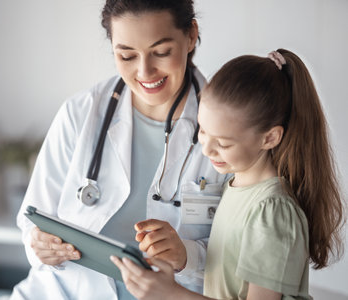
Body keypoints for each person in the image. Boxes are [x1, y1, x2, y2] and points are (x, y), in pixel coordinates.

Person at [10, 1, 229, 299]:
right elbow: (32, 217)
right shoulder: (82, 113)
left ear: (191, 35)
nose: (144, 71)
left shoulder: (229, 127)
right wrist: (40, 245)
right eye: (126, 55)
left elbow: (244, 255)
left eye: (161, 52)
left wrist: (186, 255)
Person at [111, 49, 346, 300]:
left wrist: (170, 294)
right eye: (202, 130)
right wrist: (182, 254)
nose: (207, 148)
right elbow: (228, 267)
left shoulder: (271, 210)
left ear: (270, 138)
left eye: (223, 143)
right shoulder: (235, 186)